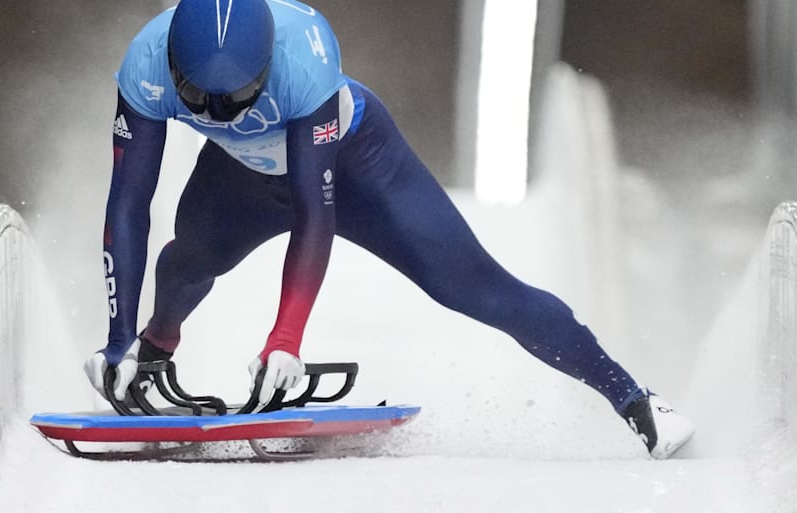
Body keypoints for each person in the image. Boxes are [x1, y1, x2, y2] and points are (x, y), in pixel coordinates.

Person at [83, 0, 695, 458]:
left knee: (478, 289)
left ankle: (636, 400)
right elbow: (128, 205)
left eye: (238, 95)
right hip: (241, 174)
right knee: (188, 259)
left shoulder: (306, 55)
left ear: (267, 65)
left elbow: (314, 213)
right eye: (196, 96)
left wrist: (285, 339)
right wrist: (117, 339)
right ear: (172, 66)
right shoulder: (144, 63)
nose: (217, 112)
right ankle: (150, 352)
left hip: (357, 169)